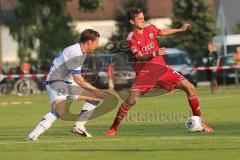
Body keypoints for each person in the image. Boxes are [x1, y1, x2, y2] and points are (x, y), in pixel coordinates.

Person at [106, 8, 213, 136]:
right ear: (131, 21)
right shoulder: (131, 38)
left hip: (162, 69)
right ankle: (113, 127)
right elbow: (140, 57)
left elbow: (162, 32)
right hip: (145, 73)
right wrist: (155, 53)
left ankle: (200, 123)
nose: (143, 20)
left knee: (190, 87)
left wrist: (179, 29)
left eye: (143, 17)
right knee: (131, 101)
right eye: (139, 19)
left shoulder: (150, 27)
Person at [28, 29, 106, 141]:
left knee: (95, 97)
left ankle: (79, 127)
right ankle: (33, 135)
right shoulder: (76, 53)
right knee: (60, 109)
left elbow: (76, 77)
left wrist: (95, 92)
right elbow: (78, 79)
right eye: (96, 43)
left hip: (68, 83)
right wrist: (96, 89)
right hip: (56, 82)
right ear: (89, 42)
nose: (97, 46)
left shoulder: (80, 52)